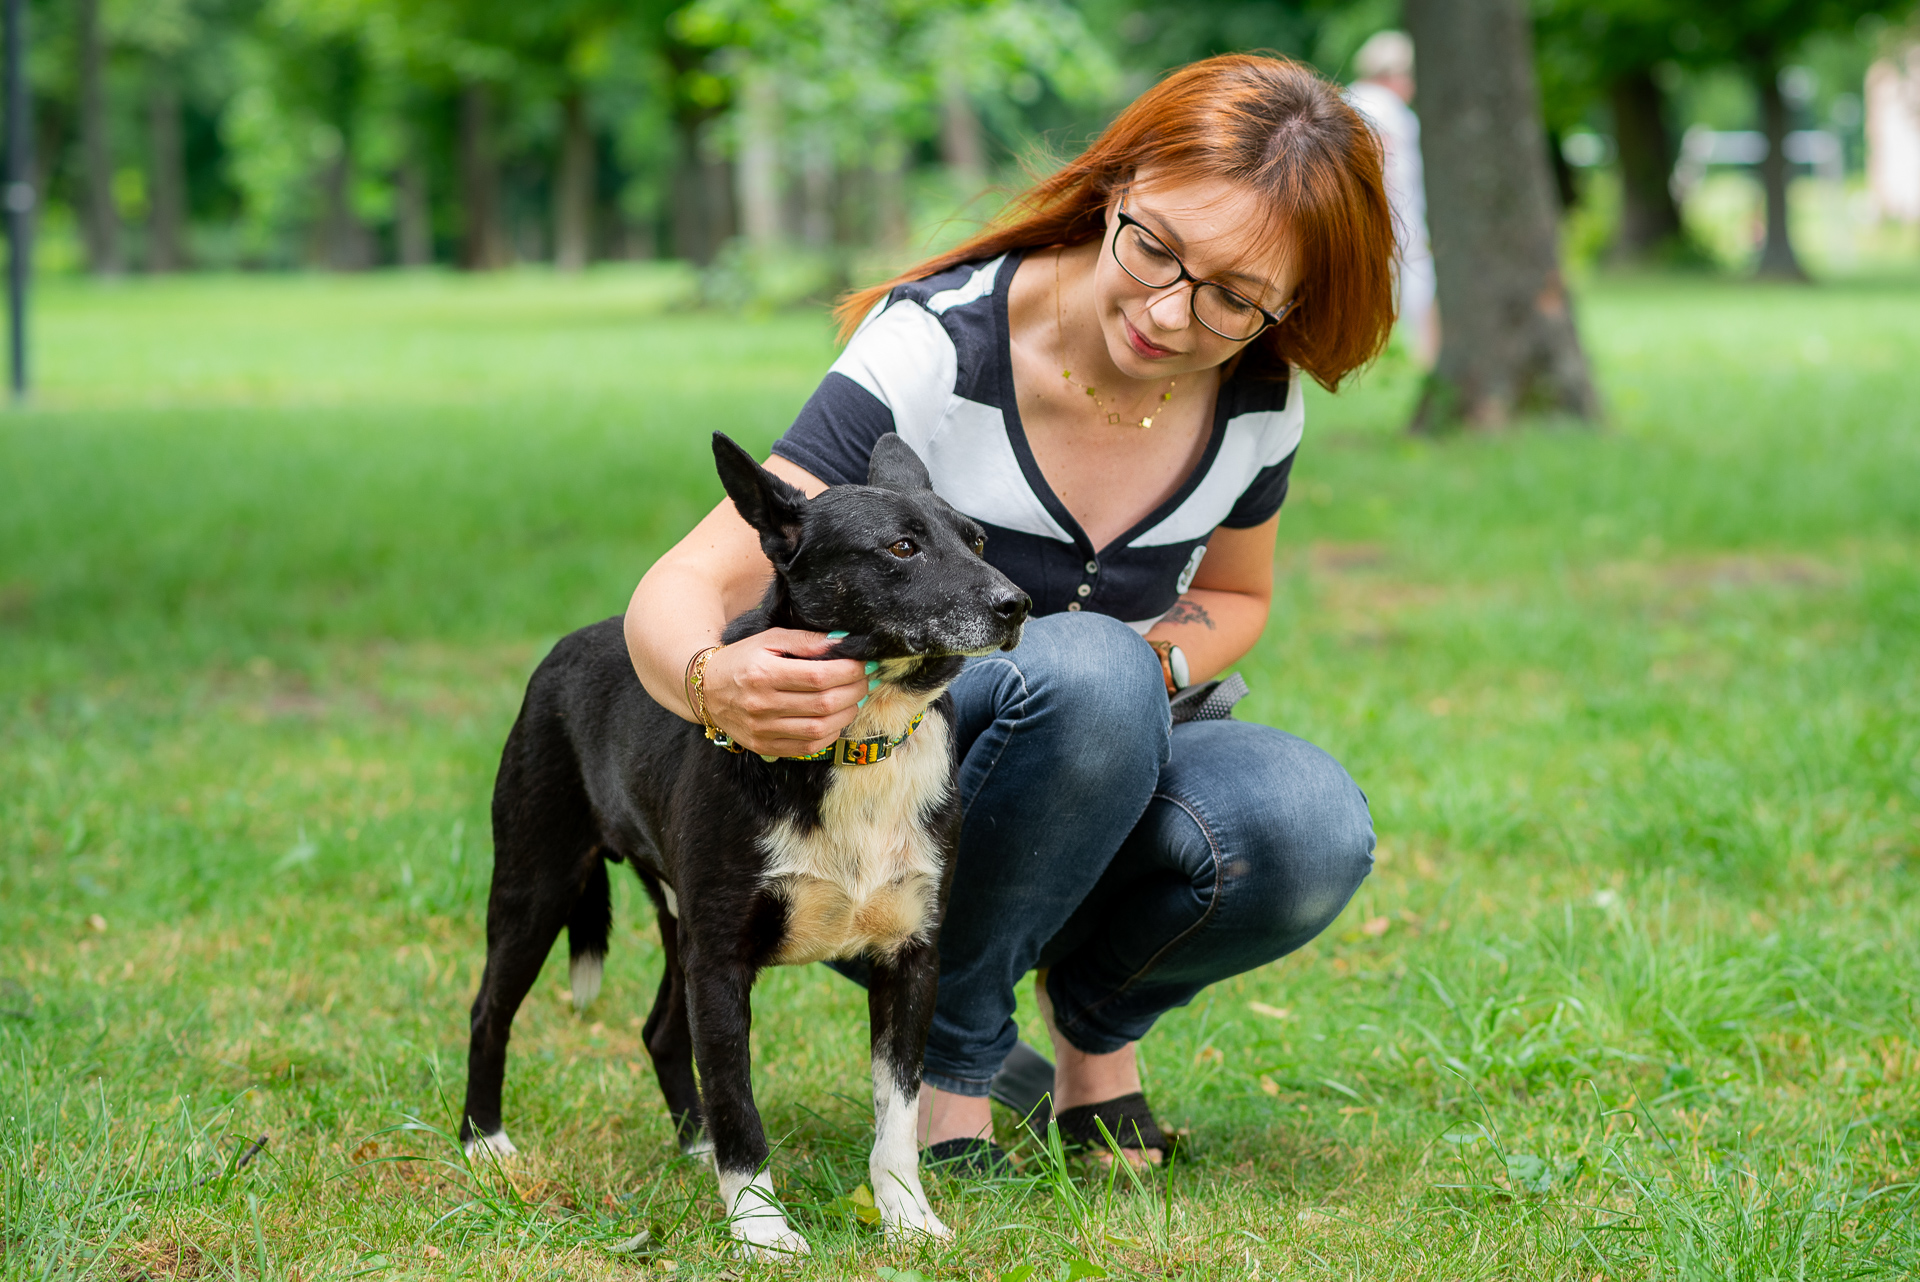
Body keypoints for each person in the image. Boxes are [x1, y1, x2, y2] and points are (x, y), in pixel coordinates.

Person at [626, 54, 1393, 1169]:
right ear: (1118, 185)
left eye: (1235, 297)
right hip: (889, 799)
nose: (1173, 313)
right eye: (1157, 249)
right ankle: (956, 1067)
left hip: (1106, 757)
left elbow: (1234, 595)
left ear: (1290, 304)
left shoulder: (1260, 394)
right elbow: (688, 581)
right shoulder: (937, 344)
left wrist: (1147, 671)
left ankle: (1096, 1040)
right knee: (1083, 674)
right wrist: (714, 680)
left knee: (1305, 825)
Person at [1347, 30, 1438, 368]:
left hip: (1370, 217)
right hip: (1395, 217)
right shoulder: (1384, 105)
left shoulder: (1352, 96)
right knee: (1419, 287)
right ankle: (1427, 358)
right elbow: (1382, 158)